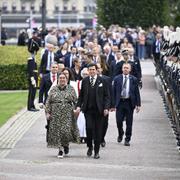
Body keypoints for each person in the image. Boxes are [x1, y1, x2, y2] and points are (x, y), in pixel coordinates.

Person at [76, 63, 110, 159]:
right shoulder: (85, 81)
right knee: (89, 129)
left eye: (93, 69)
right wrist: (78, 106)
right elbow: (81, 96)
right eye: (90, 70)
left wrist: (106, 108)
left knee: (98, 131)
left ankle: (96, 151)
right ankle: (90, 146)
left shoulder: (103, 81)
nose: (91, 71)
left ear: (96, 70)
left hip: (99, 111)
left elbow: (107, 96)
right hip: (88, 110)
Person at [45, 72, 79, 158]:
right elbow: (48, 101)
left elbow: (76, 100)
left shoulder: (71, 89)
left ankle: (66, 145)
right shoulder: (53, 89)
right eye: (60, 78)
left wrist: (76, 109)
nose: (62, 80)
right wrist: (48, 112)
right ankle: (60, 149)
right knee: (58, 132)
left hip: (67, 113)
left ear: (66, 79)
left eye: (64, 78)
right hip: (56, 114)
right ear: (58, 79)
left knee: (66, 131)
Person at [112, 63, 141, 146]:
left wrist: (138, 104)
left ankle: (127, 138)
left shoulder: (134, 79)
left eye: (127, 68)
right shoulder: (117, 78)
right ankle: (120, 133)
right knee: (119, 121)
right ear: (122, 69)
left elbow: (136, 92)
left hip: (129, 102)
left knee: (129, 122)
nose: (125, 69)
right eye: (124, 68)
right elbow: (113, 92)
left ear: (130, 70)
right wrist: (112, 104)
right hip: (120, 102)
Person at [96, 63, 112, 147]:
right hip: (95, 106)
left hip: (104, 105)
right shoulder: (91, 79)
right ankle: (96, 139)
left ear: (102, 69)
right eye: (96, 68)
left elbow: (109, 93)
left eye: (99, 68)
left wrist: (110, 106)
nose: (98, 70)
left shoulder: (107, 79)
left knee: (104, 123)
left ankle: (102, 138)